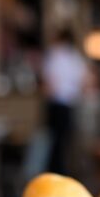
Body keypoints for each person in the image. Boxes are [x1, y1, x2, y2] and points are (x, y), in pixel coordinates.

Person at [42, 30, 88, 174]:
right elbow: (85, 81)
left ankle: (54, 172)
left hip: (56, 104)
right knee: (65, 142)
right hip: (70, 104)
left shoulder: (55, 54)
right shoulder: (75, 58)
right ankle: (65, 171)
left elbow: (49, 83)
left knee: (54, 142)